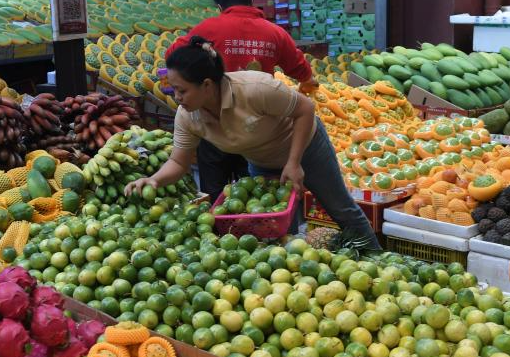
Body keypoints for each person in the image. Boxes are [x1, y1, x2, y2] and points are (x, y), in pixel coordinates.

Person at [127, 36, 379, 250]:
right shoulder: (188, 115)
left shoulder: (254, 88)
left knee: (341, 209)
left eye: (182, 90)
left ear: (206, 85)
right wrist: (154, 180)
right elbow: (179, 162)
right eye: (174, 90)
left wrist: (294, 162)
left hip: (306, 148)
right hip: (262, 162)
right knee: (272, 228)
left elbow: (305, 109)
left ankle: (377, 260)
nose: (177, 97)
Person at [167, 0, 319, 202]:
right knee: (253, 197)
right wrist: (309, 83)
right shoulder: (274, 32)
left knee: (216, 195)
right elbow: (301, 71)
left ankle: (219, 228)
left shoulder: (209, 28)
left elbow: (175, 57)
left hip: (215, 123)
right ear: (251, 2)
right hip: (258, 126)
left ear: (220, 6)